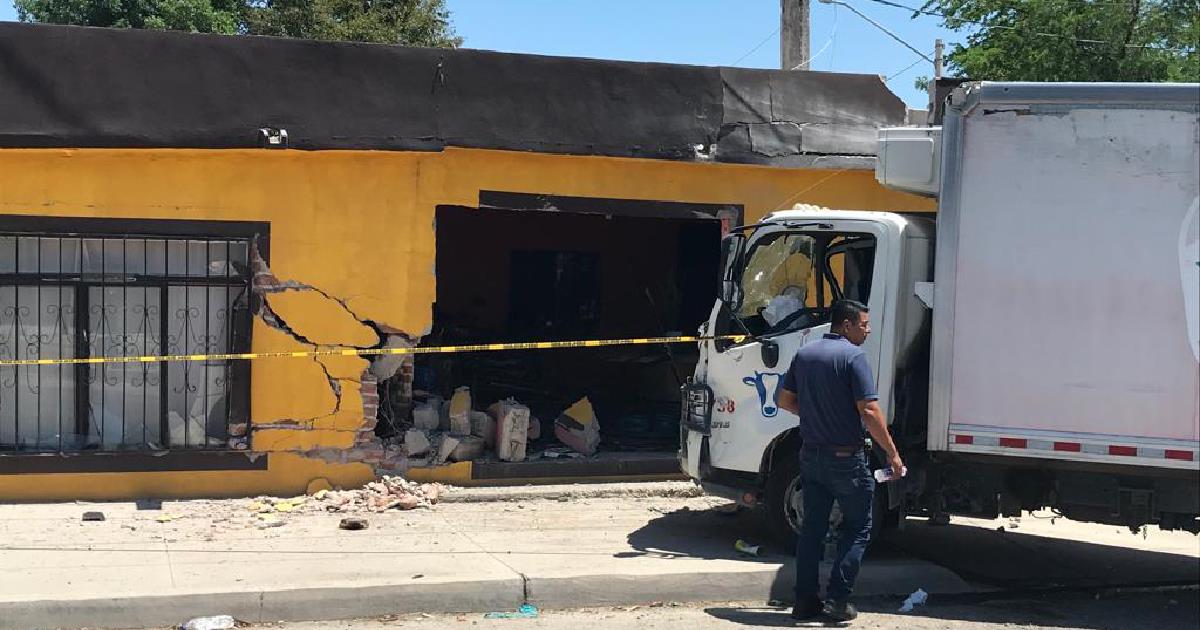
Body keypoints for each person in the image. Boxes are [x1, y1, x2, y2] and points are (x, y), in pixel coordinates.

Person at [777, 299, 904, 622]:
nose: (868, 330)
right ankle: (837, 600)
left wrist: (818, 414)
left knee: (812, 530)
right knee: (859, 527)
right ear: (845, 325)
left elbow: (784, 400)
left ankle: (804, 602)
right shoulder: (853, 357)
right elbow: (870, 411)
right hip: (846, 460)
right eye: (863, 324)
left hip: (811, 456)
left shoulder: (805, 354)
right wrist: (892, 453)